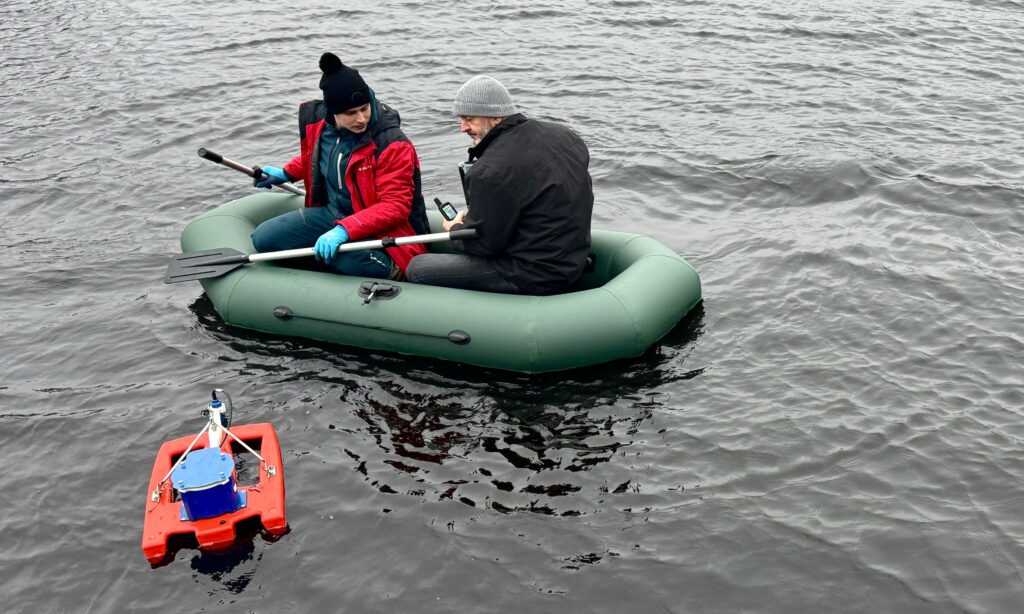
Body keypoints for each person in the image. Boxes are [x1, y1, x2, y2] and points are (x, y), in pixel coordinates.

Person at [405, 76, 594, 295]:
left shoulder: (489, 172)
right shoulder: (565, 136)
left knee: (418, 268)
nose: (462, 127)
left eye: (469, 119)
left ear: (495, 116)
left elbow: (482, 245)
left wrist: (455, 229)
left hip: (533, 275)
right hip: (573, 260)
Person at [250, 52, 429, 280]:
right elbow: (318, 157)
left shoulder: (392, 144)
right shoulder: (320, 127)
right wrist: (285, 173)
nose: (361, 119)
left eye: (365, 108)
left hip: (379, 229)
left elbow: (395, 206)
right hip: (332, 214)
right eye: (351, 113)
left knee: (342, 256)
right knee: (263, 238)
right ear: (333, 113)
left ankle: (394, 273)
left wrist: (344, 230)